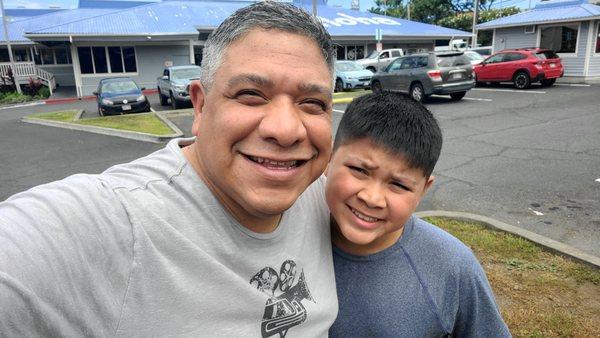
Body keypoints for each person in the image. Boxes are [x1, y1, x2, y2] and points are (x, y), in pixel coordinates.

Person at [0, 2, 338, 336]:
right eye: (251, 94)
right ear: (201, 106)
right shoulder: (117, 220)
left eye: (312, 103)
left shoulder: (324, 198)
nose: (285, 130)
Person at [326, 92, 511, 337]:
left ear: (423, 189)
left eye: (399, 185)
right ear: (328, 157)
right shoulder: (288, 229)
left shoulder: (451, 267)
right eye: (359, 170)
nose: (372, 198)